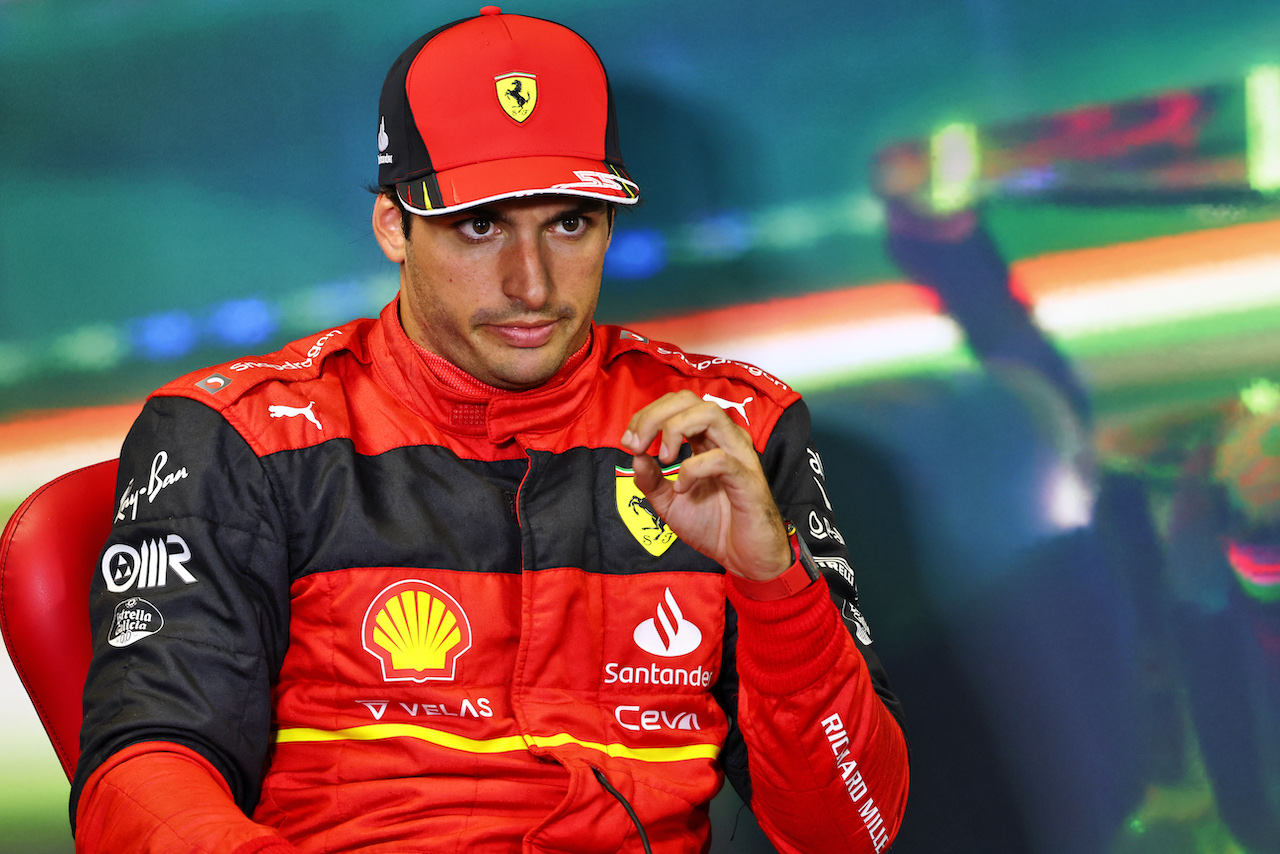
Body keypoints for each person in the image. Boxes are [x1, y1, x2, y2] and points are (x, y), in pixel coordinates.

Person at [70, 9, 909, 853]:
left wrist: (774, 588)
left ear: (611, 224)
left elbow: (850, 831)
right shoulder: (241, 436)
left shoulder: (736, 434)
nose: (532, 284)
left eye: (569, 223)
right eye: (481, 225)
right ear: (394, 224)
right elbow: (137, 781)